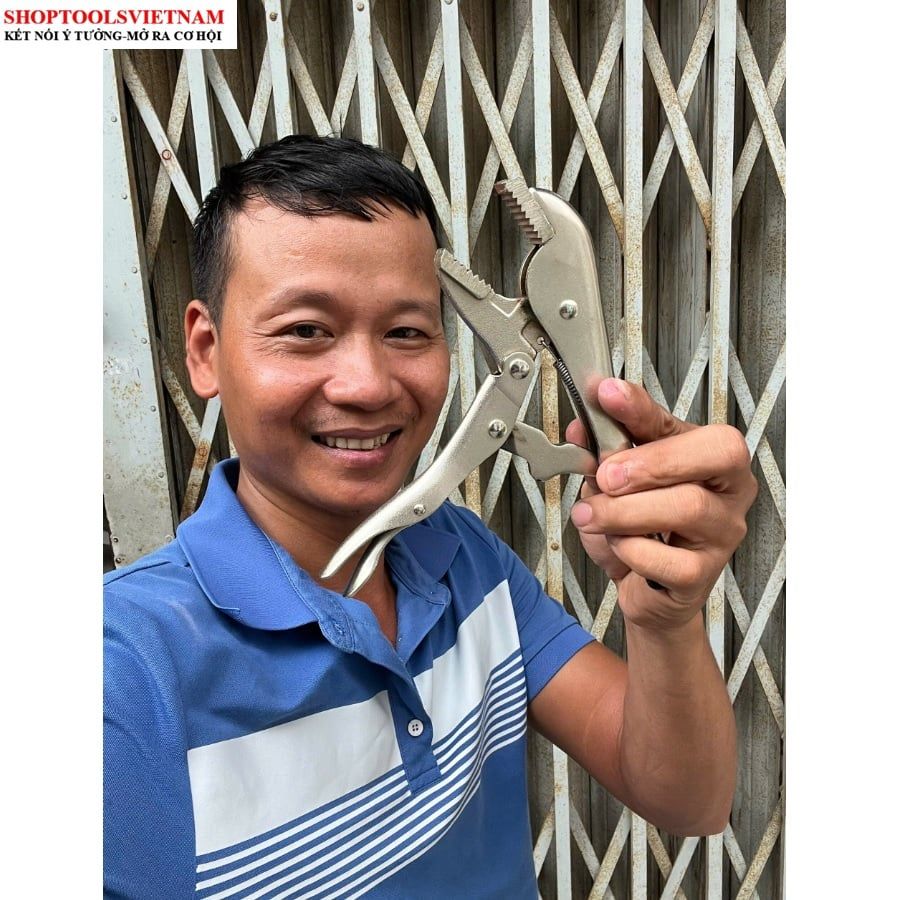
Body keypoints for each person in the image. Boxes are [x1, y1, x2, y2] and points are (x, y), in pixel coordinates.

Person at [104, 134, 757, 899]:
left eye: (407, 332)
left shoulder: (462, 557)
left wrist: (665, 619)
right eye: (306, 330)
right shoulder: (118, 675)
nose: (367, 384)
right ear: (206, 351)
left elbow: (689, 801)